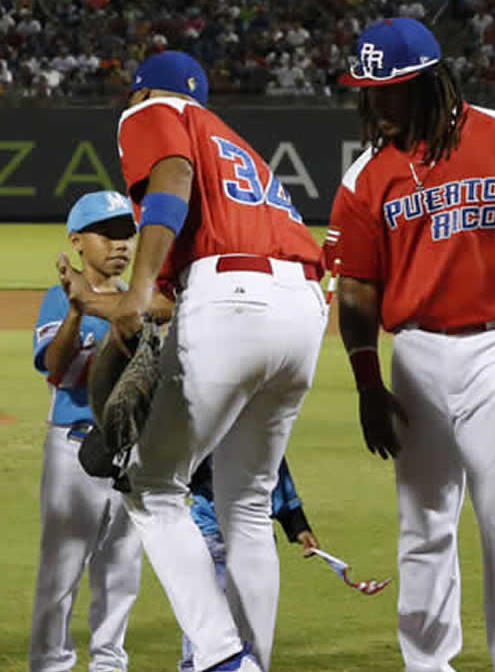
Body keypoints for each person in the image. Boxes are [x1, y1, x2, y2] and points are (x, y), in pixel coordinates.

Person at [327, 16, 495, 672]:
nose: (378, 103)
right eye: (370, 91)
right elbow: (355, 292)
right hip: (415, 352)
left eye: (391, 89)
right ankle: (427, 663)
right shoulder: (365, 178)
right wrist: (366, 383)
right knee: (424, 522)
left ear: (429, 82)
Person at [104, 50, 327, 672]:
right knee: (247, 503)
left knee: (151, 488)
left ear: (143, 92)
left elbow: (170, 180)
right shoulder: (235, 145)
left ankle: (222, 657)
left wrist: (139, 286)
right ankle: (253, 659)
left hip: (231, 297)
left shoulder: (154, 112)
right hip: (303, 307)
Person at [28, 192, 142, 672]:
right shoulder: (59, 298)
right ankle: (50, 664)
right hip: (72, 447)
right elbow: (53, 367)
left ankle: (109, 664)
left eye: (125, 234)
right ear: (77, 241)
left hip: (130, 452)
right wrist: (77, 309)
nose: (120, 244)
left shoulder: (138, 298)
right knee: (62, 570)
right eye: (107, 233)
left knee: (121, 570)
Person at [177, 458, 317, 672]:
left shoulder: (256, 429)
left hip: (256, 542)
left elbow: (274, 470)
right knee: (208, 628)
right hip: (213, 537)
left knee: (252, 632)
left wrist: (297, 525)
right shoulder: (209, 430)